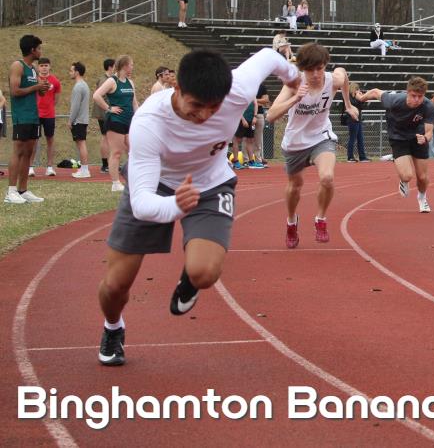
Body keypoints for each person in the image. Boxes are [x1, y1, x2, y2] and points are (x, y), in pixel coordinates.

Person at [96, 47, 300, 366]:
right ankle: (113, 327)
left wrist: (294, 78)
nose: (204, 115)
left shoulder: (238, 88)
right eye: (195, 105)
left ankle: (189, 279)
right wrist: (176, 206)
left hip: (210, 183)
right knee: (115, 285)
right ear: (177, 89)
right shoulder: (148, 123)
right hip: (156, 186)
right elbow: (143, 203)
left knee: (204, 272)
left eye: (213, 108)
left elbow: (269, 57)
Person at [267, 43, 356, 247]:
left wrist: (348, 105)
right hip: (295, 142)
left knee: (327, 177)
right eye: (310, 70)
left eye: (319, 68)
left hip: (321, 137)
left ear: (324, 66)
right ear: (302, 69)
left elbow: (343, 74)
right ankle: (291, 222)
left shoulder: (332, 80)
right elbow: (271, 115)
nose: (315, 74)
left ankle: (320, 219)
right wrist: (295, 98)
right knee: (295, 186)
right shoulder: (294, 84)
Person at [357, 76, 434, 213]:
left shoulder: (428, 106)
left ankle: (422, 198)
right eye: (414, 96)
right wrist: (361, 98)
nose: (417, 100)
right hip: (398, 138)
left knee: (422, 177)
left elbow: (429, 132)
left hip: (418, 138)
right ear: (407, 92)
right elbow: (375, 92)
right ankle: (403, 180)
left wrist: (425, 138)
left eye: (420, 96)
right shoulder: (394, 100)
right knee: (406, 176)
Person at [5, 35, 49, 204]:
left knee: (29, 152)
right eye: (39, 48)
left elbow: (38, 92)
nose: (40, 51)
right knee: (18, 151)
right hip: (21, 115)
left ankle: (22, 190)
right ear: (32, 50)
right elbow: (15, 91)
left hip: (33, 115)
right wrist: (36, 86)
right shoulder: (18, 66)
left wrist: (42, 88)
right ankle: (10, 192)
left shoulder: (33, 69)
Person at [93, 56, 139, 192]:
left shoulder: (130, 82)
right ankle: (115, 183)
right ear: (125, 66)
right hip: (116, 121)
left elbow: (134, 103)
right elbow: (96, 95)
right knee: (117, 152)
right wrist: (109, 108)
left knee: (133, 152)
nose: (133, 67)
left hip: (129, 121)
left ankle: (133, 180)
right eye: (131, 65)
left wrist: (139, 117)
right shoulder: (112, 81)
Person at [30, 57, 61, 177]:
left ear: (49, 66)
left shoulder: (55, 81)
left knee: (50, 140)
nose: (44, 68)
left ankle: (49, 167)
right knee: (33, 141)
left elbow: (56, 99)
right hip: (36, 115)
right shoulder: (34, 80)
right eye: (42, 65)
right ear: (38, 67)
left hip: (49, 115)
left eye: (46, 65)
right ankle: (30, 167)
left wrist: (49, 107)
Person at [68, 61, 92, 179]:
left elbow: (75, 106)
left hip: (79, 120)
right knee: (81, 144)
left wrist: (70, 120)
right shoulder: (84, 85)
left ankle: (85, 170)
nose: (70, 73)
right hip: (82, 119)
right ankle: (83, 169)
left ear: (77, 72)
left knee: (81, 144)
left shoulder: (78, 87)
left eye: (71, 70)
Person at [97, 58, 115, 174]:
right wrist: (110, 108)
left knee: (109, 137)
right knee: (105, 137)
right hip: (105, 113)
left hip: (107, 112)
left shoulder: (109, 79)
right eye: (115, 66)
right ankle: (105, 164)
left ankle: (109, 163)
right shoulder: (104, 80)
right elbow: (100, 96)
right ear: (110, 67)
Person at [344, 82, 370, 162]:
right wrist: (357, 97)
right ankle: (350, 157)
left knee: (360, 139)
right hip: (352, 120)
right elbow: (350, 106)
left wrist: (362, 99)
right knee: (352, 138)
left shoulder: (356, 97)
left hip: (358, 120)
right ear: (354, 89)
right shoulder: (348, 97)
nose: (358, 90)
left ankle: (362, 157)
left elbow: (361, 107)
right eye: (357, 89)